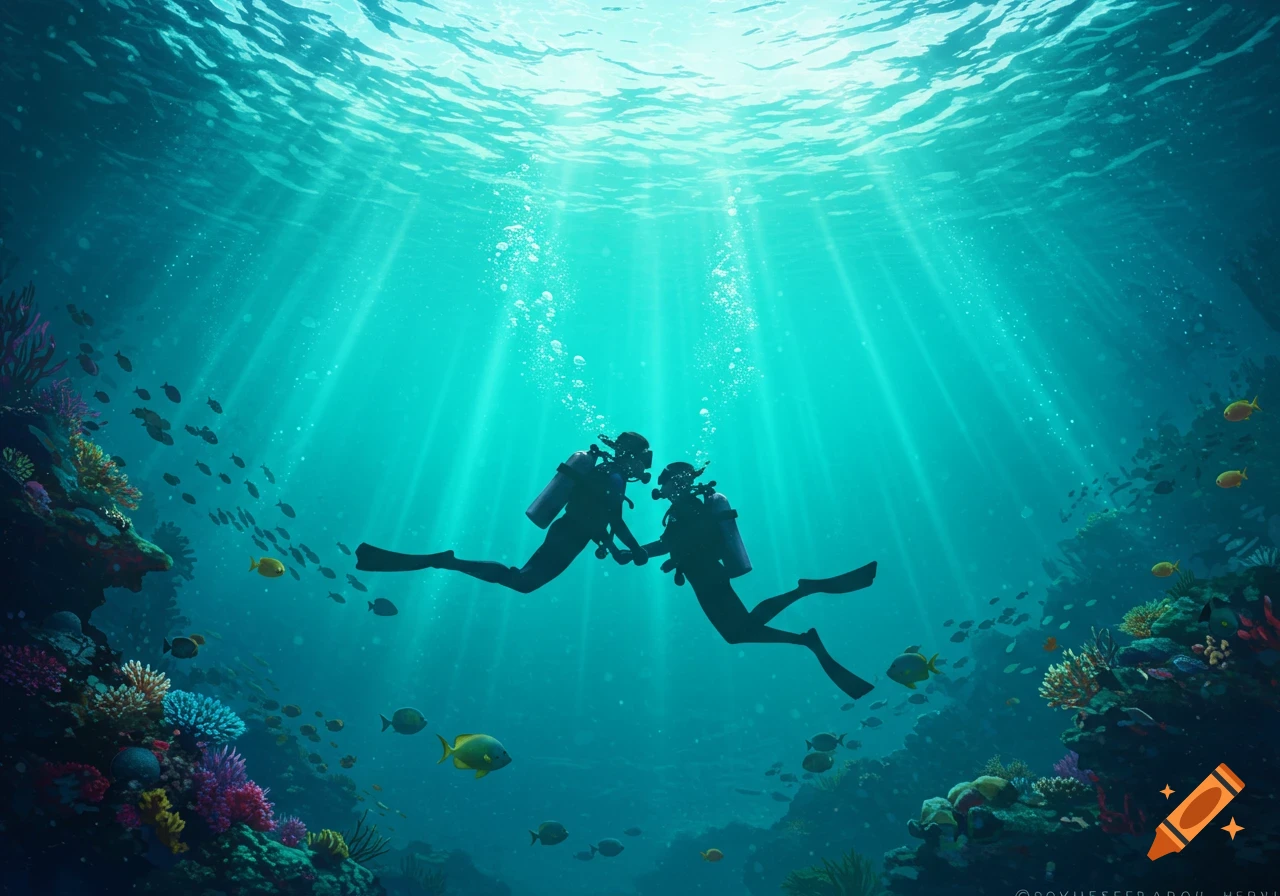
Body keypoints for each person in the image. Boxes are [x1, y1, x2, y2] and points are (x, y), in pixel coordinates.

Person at [625, 461, 878, 700]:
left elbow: (679, 541)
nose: (661, 486)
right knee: (738, 631)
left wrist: (645, 552)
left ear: (676, 481)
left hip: (705, 574)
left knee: (736, 632)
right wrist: (643, 551)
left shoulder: (685, 507)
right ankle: (804, 629)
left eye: (664, 480)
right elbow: (674, 542)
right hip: (704, 574)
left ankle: (804, 612)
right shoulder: (684, 507)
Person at [355, 432, 653, 594]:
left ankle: (448, 562)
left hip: (569, 531)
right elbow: (613, 518)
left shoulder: (603, 472)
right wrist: (635, 548)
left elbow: (598, 518)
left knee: (522, 581)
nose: (645, 466)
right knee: (522, 581)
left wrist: (614, 549)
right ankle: (447, 561)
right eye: (644, 458)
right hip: (570, 535)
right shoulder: (615, 476)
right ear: (632, 456)